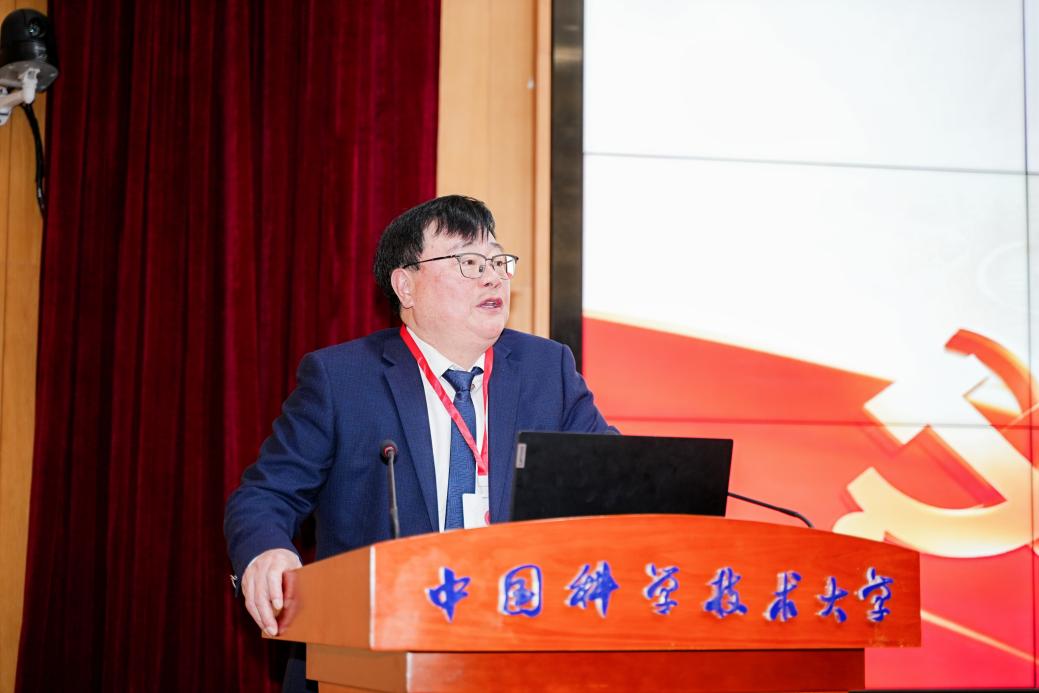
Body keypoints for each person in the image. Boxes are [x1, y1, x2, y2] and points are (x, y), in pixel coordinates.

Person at [224, 195, 615, 691]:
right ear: (405, 285)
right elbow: (266, 495)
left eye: (498, 261)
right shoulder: (343, 378)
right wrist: (266, 553)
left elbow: (614, 483)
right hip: (373, 656)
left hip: (521, 651)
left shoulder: (547, 369)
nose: (493, 278)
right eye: (469, 263)